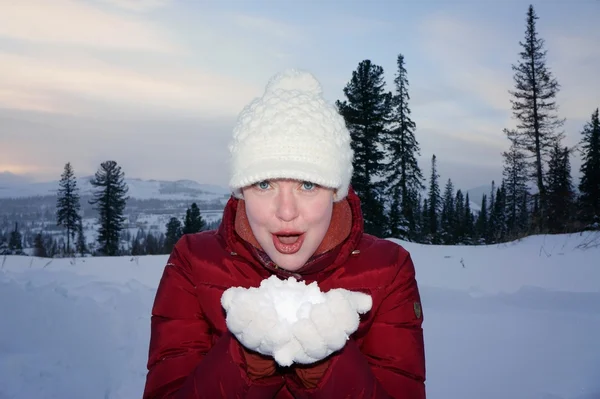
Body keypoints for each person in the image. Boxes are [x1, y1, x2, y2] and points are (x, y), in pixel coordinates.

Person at [142, 69, 426, 398]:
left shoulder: (389, 271)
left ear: (335, 191)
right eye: (264, 184)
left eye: (308, 184)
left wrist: (325, 362)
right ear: (241, 191)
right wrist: (247, 357)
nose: (286, 212)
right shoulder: (192, 263)